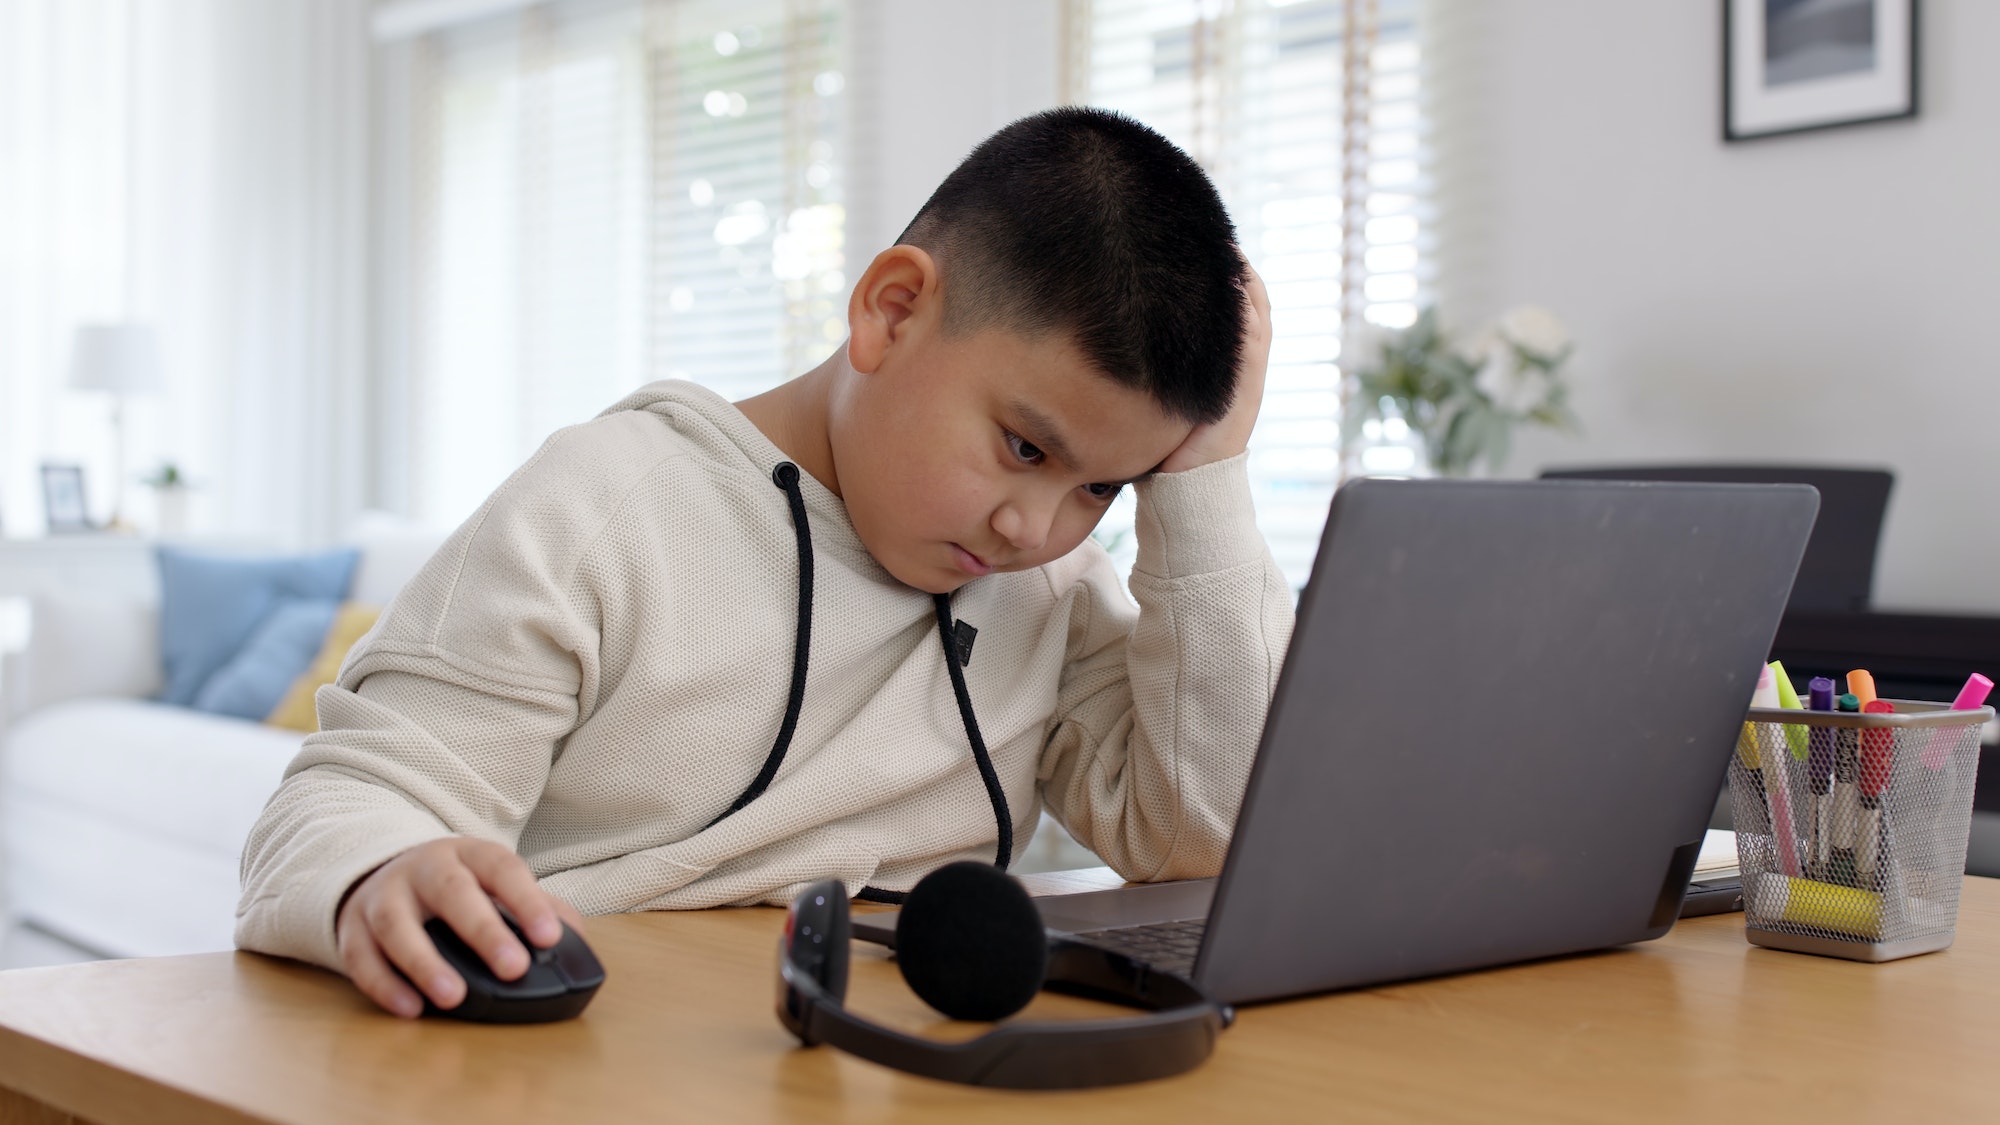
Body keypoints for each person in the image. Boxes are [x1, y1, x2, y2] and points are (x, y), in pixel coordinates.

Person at [236, 106, 1293, 1019]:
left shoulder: (1049, 591)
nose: (1036, 526)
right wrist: (381, 870)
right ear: (892, 310)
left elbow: (1207, 842)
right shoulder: (606, 505)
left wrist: (1203, 486)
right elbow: (341, 805)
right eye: (1023, 448)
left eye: (1102, 488)